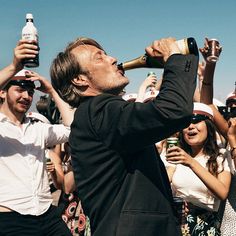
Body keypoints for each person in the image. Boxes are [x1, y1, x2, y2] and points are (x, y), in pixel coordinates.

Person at [50, 36, 199, 235]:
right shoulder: (99, 110)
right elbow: (173, 111)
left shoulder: (93, 116)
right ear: (79, 79)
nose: (112, 59)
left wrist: (183, 60)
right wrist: (174, 57)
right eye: (99, 58)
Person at [0, 39, 74, 236]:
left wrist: (52, 91)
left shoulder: (38, 128)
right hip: (11, 219)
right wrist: (14, 66)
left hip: (47, 214)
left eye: (30, 91)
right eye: (20, 89)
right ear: (2, 92)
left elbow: (73, 128)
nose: (26, 96)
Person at [166, 102, 231, 235]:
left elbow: (222, 193)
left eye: (196, 121)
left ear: (208, 126)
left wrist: (191, 162)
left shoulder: (221, 155)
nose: (190, 127)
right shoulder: (176, 154)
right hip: (175, 223)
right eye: (186, 123)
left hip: (205, 226)